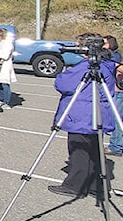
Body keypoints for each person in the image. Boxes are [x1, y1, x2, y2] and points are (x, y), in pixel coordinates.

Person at [48, 33, 117, 198]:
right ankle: (95, 185)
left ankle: (75, 185)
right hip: (95, 114)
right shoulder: (106, 63)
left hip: (82, 116)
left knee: (79, 151)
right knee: (94, 151)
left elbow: (63, 83)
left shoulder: (86, 66)